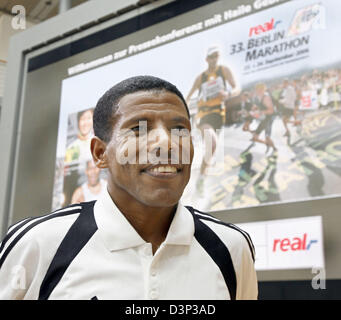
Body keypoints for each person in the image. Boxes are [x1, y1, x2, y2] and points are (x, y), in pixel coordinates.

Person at [0, 76, 257, 300]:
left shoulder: (232, 247)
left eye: (179, 129)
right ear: (100, 153)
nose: (167, 143)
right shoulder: (38, 244)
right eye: (138, 129)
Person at [186, 46, 240, 189]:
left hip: (219, 115)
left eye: (216, 55)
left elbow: (236, 88)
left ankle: (201, 177)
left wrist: (228, 94)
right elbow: (188, 96)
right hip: (204, 115)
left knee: (210, 150)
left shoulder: (224, 71)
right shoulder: (201, 78)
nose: (214, 59)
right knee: (213, 144)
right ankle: (200, 177)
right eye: (212, 56)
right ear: (207, 59)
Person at [251, 83, 277, 152]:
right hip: (263, 119)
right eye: (257, 89)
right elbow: (256, 107)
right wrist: (254, 110)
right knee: (255, 138)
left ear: (263, 89)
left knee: (267, 137)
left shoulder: (266, 97)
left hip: (269, 118)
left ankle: (274, 149)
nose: (258, 91)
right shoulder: (257, 97)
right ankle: (267, 143)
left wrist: (260, 112)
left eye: (261, 89)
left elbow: (271, 111)